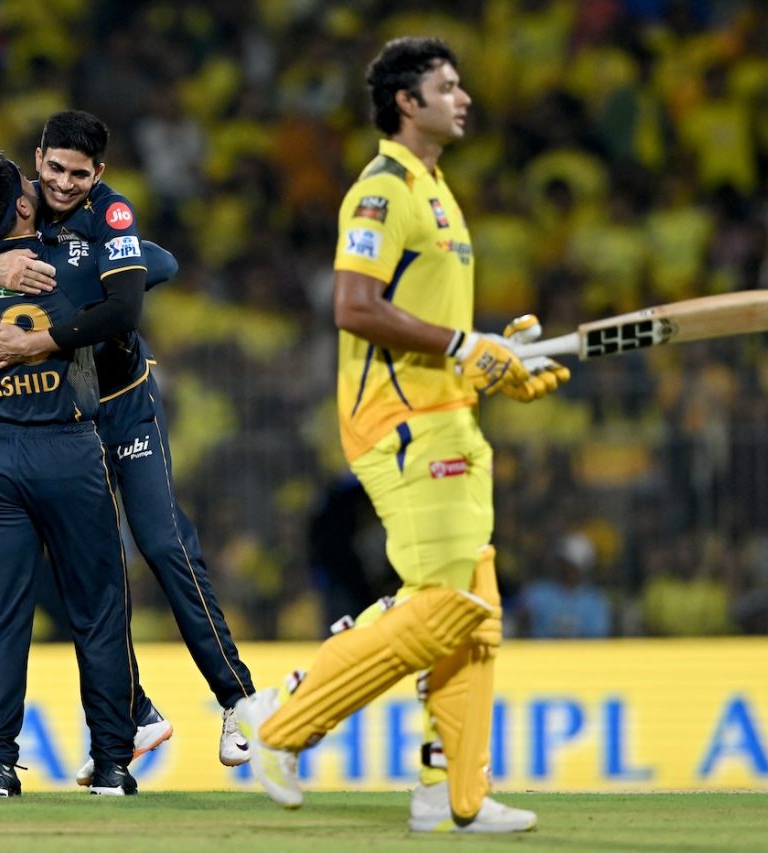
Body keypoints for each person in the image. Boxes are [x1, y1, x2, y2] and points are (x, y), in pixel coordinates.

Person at [232, 37, 567, 833]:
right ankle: (280, 720)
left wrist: (495, 356)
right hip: (405, 426)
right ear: (406, 103)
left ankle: (452, 793)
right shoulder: (381, 191)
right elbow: (353, 306)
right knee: (447, 600)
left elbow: (437, 326)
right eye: (448, 87)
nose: (466, 98)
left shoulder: (437, 190)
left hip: (447, 413)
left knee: (472, 603)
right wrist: (462, 347)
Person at [0, 110, 256, 775]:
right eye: (53, 168)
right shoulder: (17, 207)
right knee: (75, 569)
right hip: (62, 421)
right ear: (37, 158)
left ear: (100, 175)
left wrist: (85, 283)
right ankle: (137, 710)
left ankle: (237, 697)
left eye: (78, 174)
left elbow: (162, 266)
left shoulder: (110, 214)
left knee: (160, 541)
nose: (62, 184)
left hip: (121, 406)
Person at [0, 142, 142, 797]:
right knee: (97, 609)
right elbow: (150, 275)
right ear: (25, 201)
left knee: (0, 617)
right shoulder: (72, 260)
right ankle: (113, 762)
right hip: (67, 447)